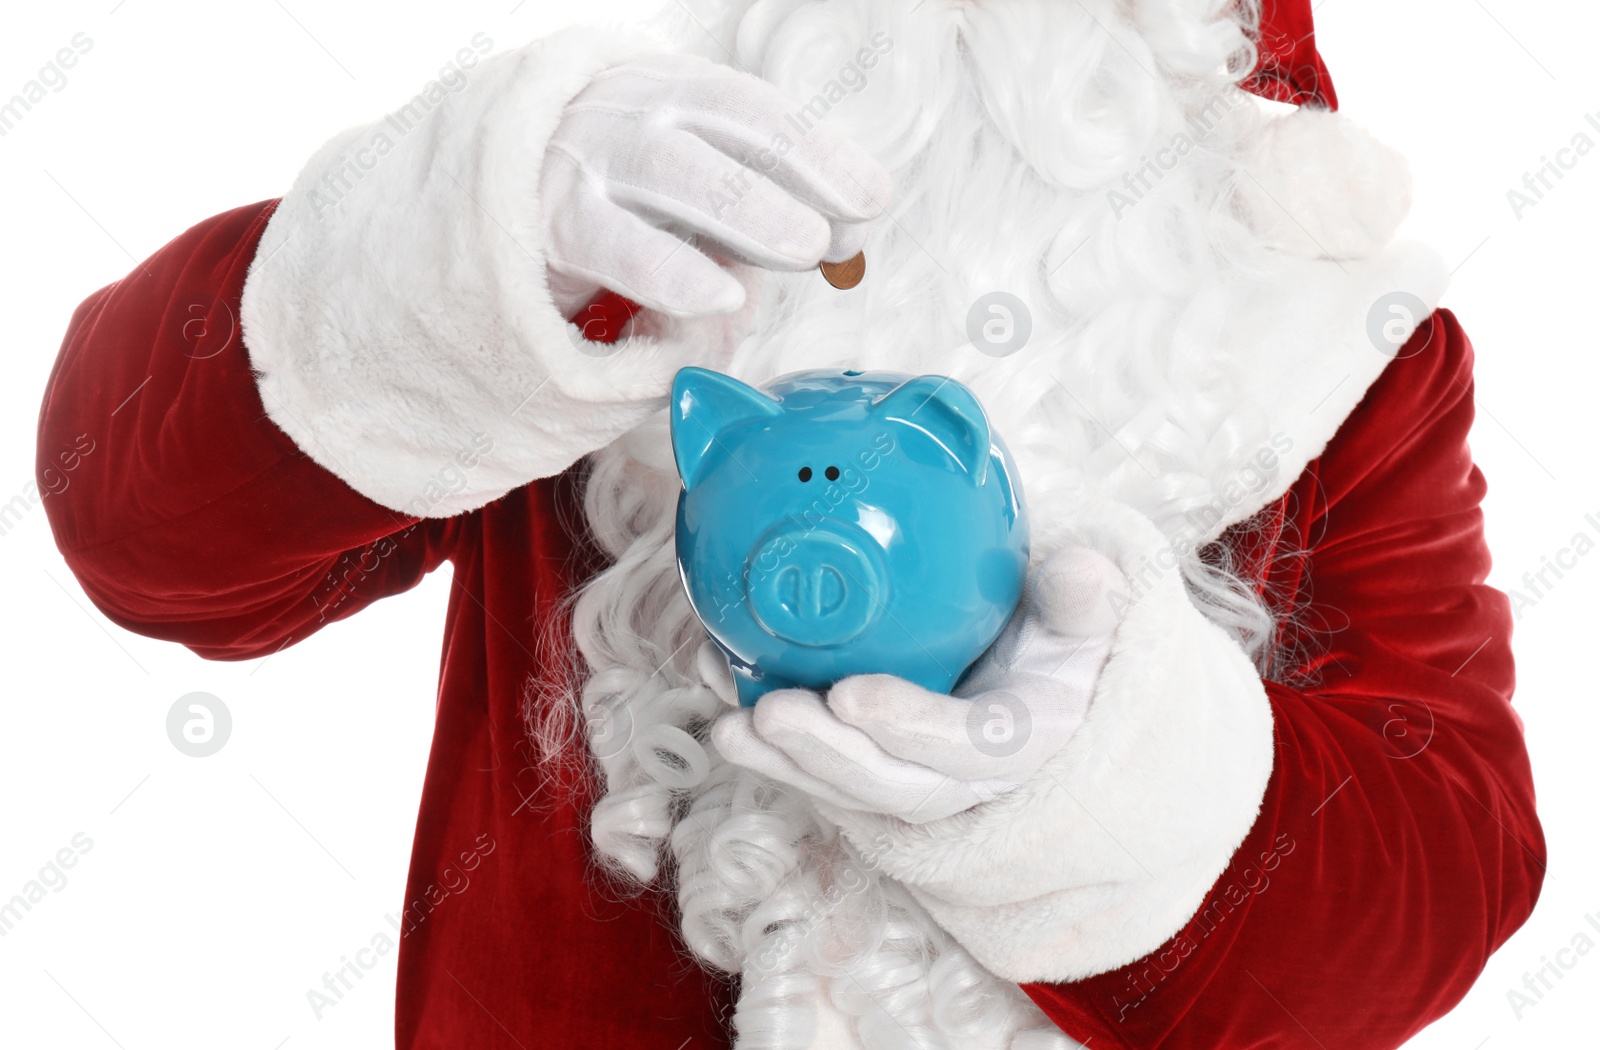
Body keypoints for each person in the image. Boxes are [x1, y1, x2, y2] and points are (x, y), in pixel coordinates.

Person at [37, 0, 1543, 1047]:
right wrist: (453, 241)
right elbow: (145, 533)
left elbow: (1443, 876)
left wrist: (1101, 787)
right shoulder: (609, 218)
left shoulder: (1330, 340)